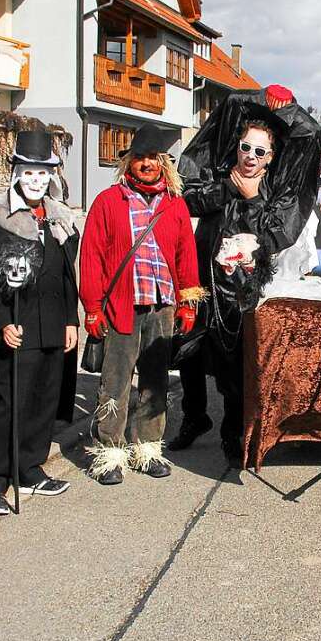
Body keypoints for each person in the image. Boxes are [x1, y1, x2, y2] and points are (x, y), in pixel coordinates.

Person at [173, 86, 321, 465]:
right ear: (236, 147)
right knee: (187, 350)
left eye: (260, 152)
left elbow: (279, 230)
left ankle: (232, 434)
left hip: (240, 286)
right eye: (246, 148)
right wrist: (226, 190)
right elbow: (186, 197)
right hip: (200, 274)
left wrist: (254, 200)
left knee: (233, 362)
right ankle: (194, 416)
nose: (251, 157)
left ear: (271, 158)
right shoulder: (220, 174)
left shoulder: (273, 189)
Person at [0, 131, 79, 516]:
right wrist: (4, 322)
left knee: (42, 399)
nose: (36, 180)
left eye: (43, 173)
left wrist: (71, 320)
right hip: (17, 326)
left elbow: (66, 276)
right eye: (29, 173)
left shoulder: (58, 218)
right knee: (8, 403)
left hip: (53, 325)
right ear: (17, 174)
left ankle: (29, 467)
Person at [79, 124, 203, 485]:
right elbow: (92, 256)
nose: (146, 163)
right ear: (129, 163)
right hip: (121, 307)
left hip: (162, 307)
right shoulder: (108, 201)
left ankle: (147, 448)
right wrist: (92, 307)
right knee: (114, 383)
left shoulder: (174, 205)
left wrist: (187, 302)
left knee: (155, 382)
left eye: (153, 158)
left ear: (163, 164)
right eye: (140, 158)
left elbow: (186, 256)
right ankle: (109, 452)